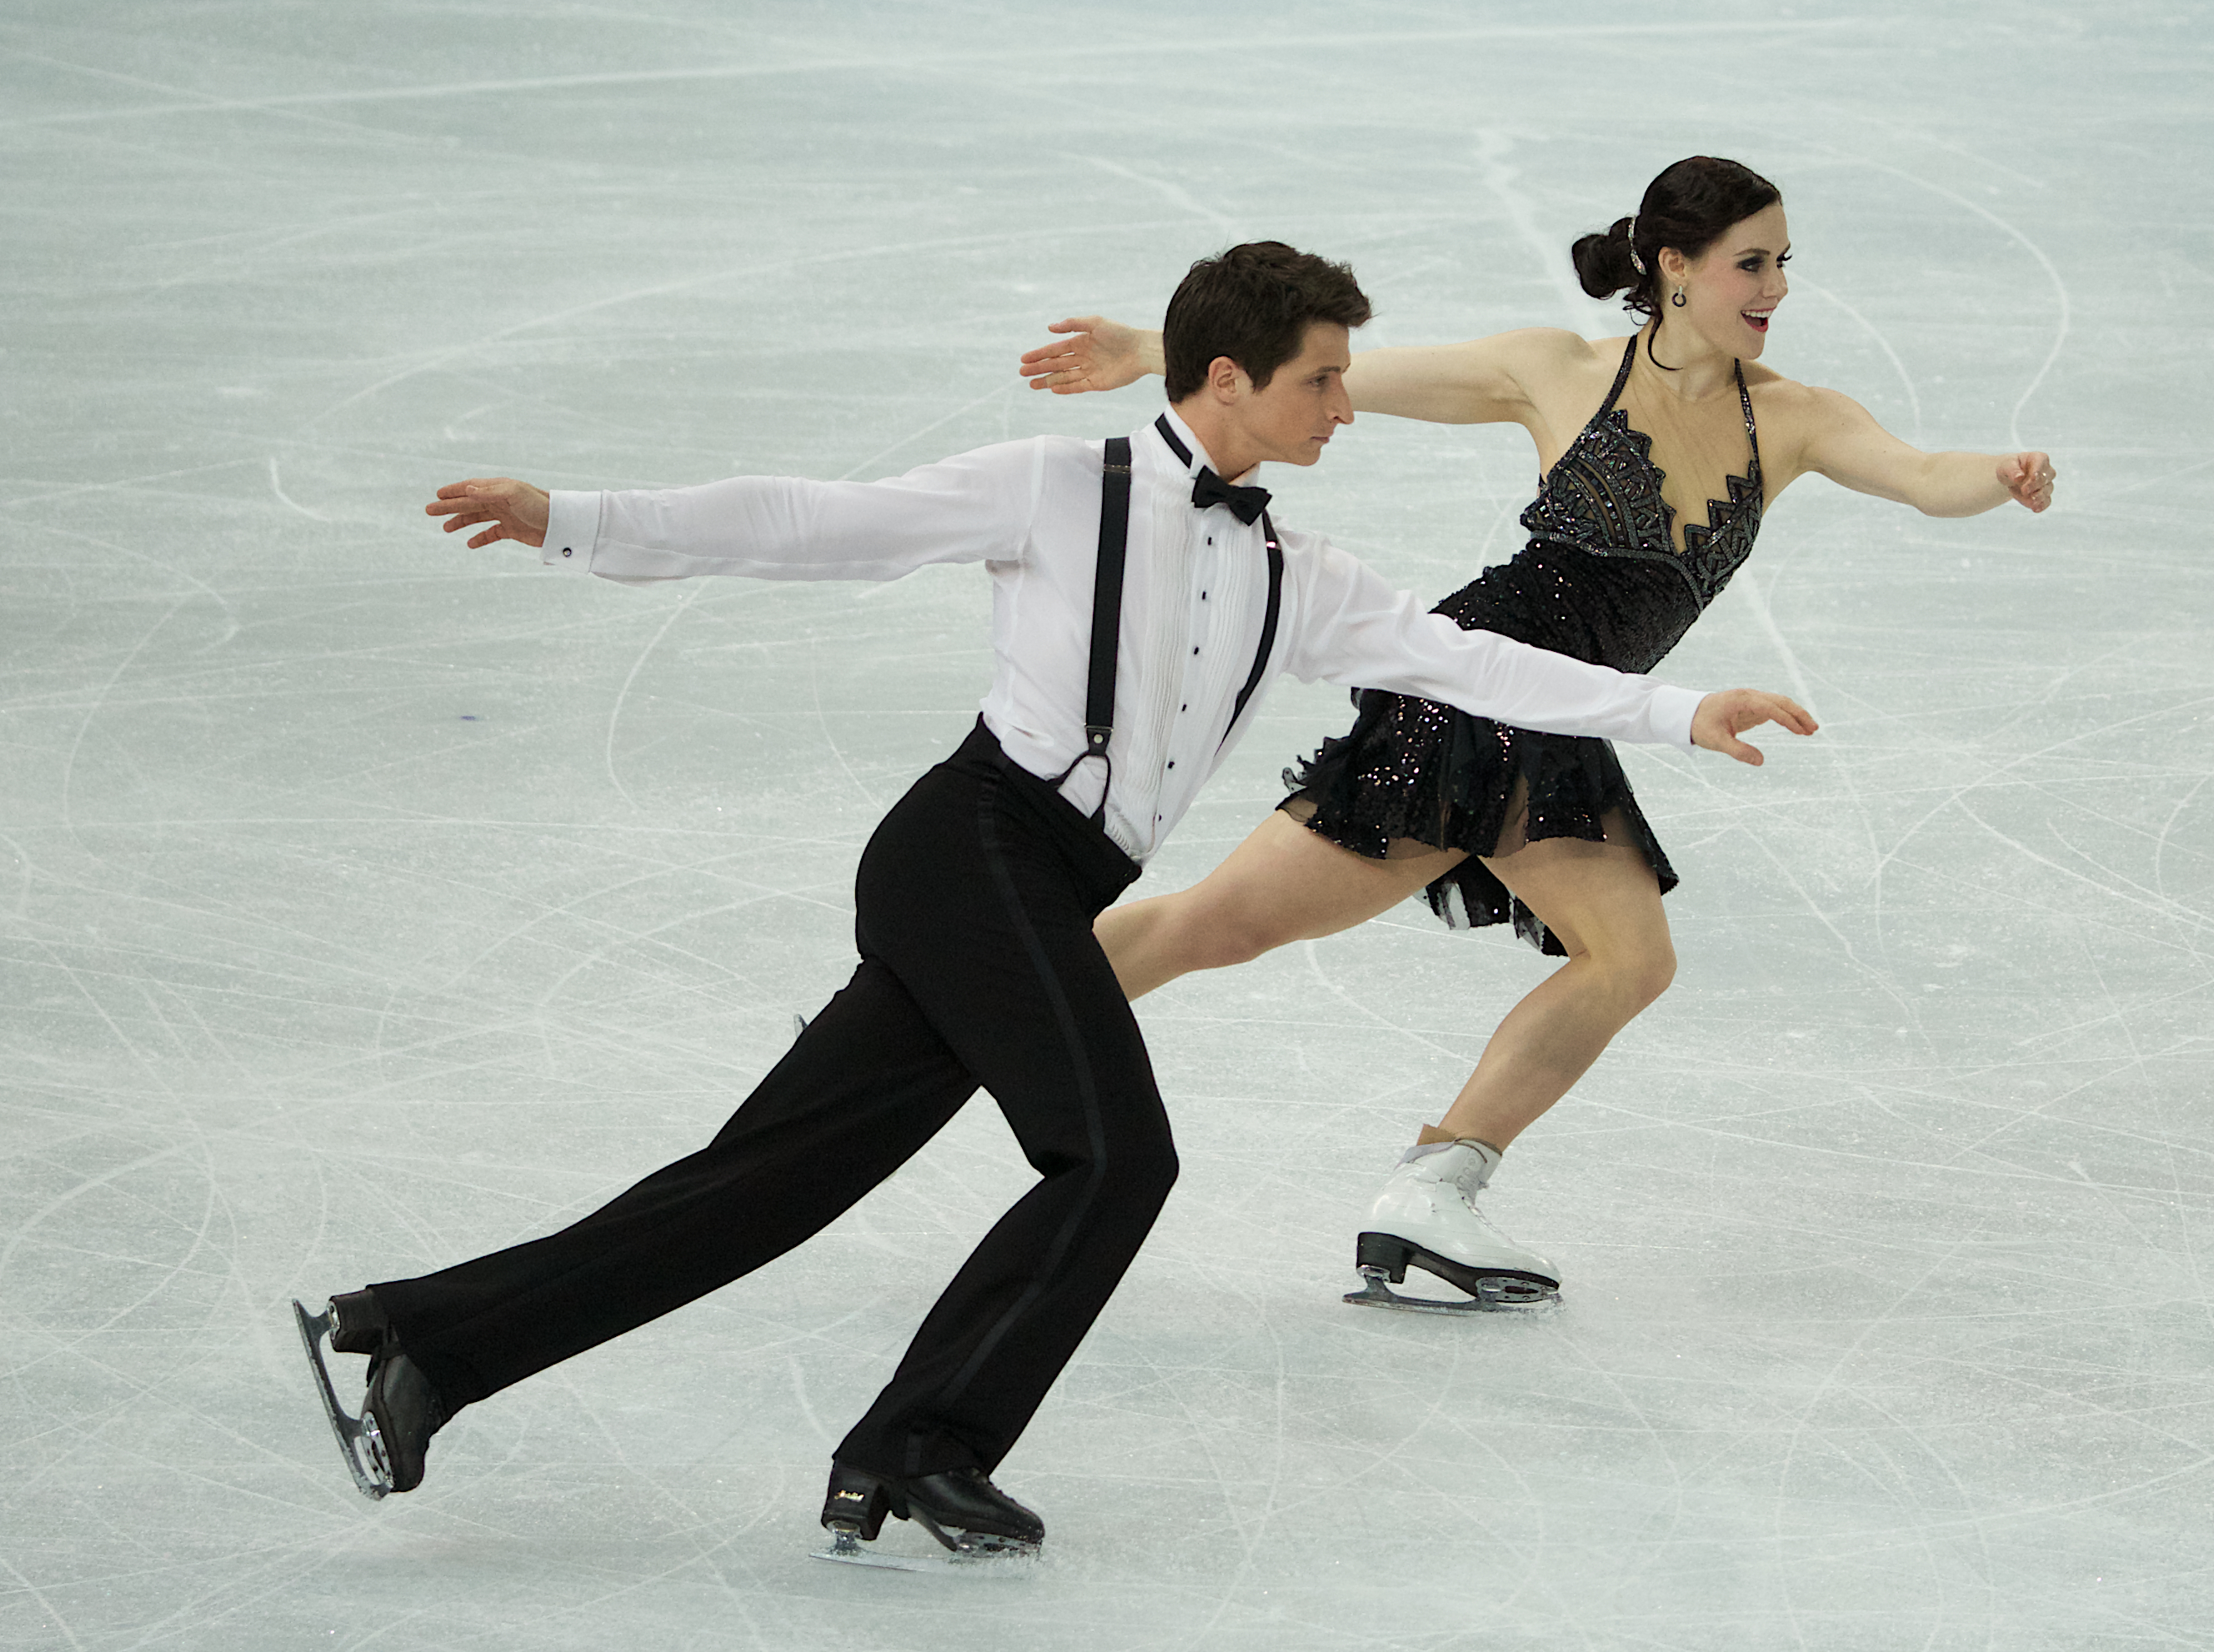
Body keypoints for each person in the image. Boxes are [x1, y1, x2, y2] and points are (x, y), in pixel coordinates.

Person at [292, 241, 1814, 1562]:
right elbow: (812, 524)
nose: (1345, 408)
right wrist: (574, 517)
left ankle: (419, 1337)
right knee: (1115, 1157)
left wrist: (1677, 714)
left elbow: (1471, 662)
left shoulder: (1296, 565)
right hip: (971, 848)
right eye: (1321, 383)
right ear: (1229, 379)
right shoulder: (1053, 486)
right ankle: (917, 1448)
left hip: (1049, 877)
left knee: (763, 1182)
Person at [1018, 158, 2055, 1313]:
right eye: (1749, 264)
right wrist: (1144, 350)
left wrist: (1998, 473)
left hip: (1532, 701)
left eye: (1780, 264)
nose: (1773, 288)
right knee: (1626, 955)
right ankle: (1433, 1185)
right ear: (1673, 267)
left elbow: (1920, 475)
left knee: (1225, 923)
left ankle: (953, 1010)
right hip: (1489, 674)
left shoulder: (1796, 420)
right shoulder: (1555, 372)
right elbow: (1356, 375)